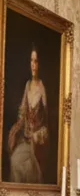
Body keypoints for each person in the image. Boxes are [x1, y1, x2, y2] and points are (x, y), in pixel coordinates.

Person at [6, 47, 48, 184]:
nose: (33, 64)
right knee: (14, 161)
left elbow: (47, 122)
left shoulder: (42, 87)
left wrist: (37, 136)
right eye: (31, 60)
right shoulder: (28, 85)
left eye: (36, 61)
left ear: (40, 63)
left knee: (30, 169)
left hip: (37, 142)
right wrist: (15, 129)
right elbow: (22, 112)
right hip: (26, 139)